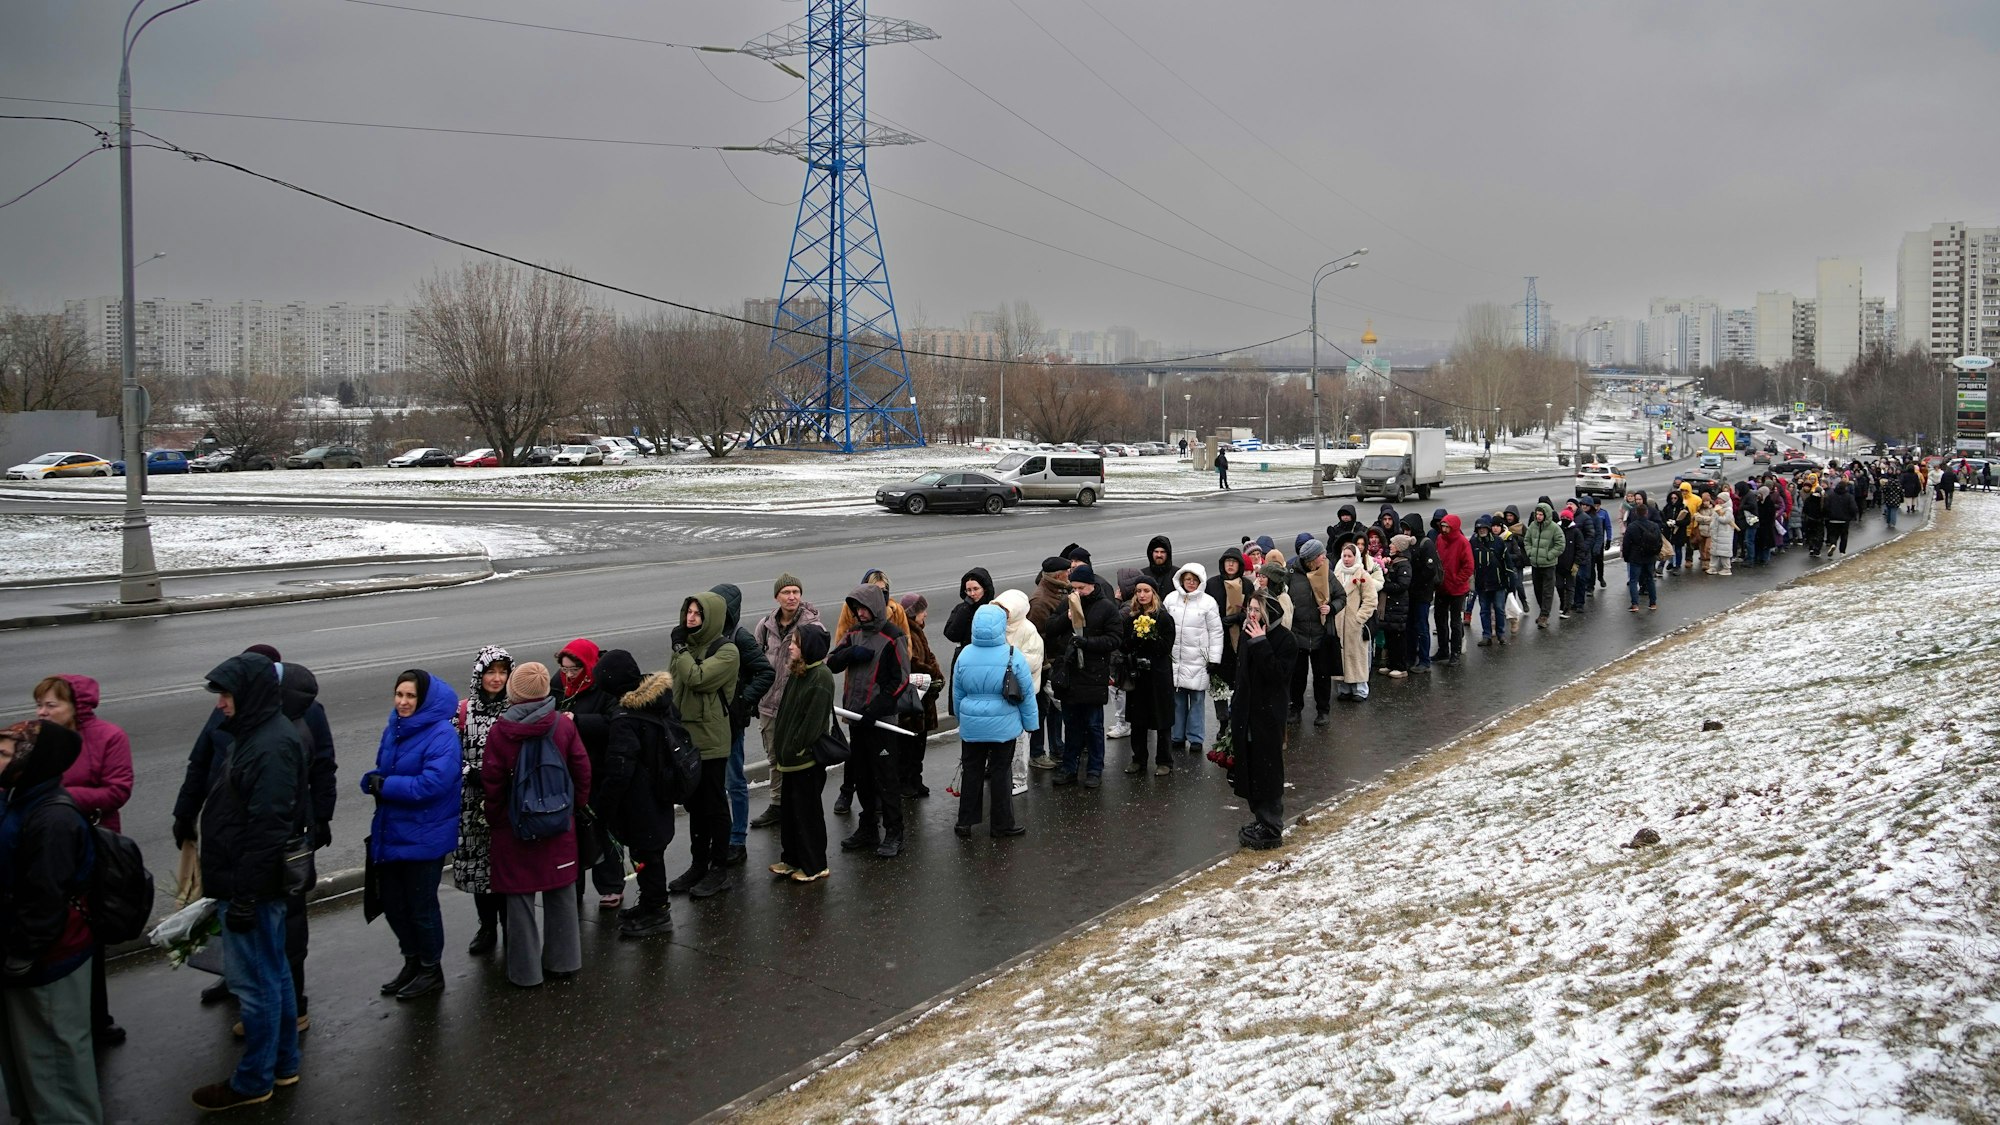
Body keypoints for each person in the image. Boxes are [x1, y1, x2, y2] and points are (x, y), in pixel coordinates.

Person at [191, 652, 307, 1111]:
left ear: (250, 694)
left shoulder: (271, 744)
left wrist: (243, 896)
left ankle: (254, 1078)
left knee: (256, 990)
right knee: (272, 977)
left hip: (253, 888)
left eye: (226, 695)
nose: (220, 704)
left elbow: (268, 829)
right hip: (250, 884)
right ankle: (282, 1065)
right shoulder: (254, 734)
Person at [0, 721, 102, 1122]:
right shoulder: (16, 798)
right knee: (28, 1058)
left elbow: (45, 898)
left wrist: (23, 952)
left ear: (32, 763)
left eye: (7, 753)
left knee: (55, 1063)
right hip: (22, 952)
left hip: (49, 959)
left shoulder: (52, 818)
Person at [32, 674, 132, 1048]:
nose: (41, 712)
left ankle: (96, 1019)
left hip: (92, 845)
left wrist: (57, 798)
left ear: (77, 706)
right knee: (50, 928)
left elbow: (118, 790)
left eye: (51, 705)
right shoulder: (35, 738)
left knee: (89, 934)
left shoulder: (109, 737)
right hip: (43, 846)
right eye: (39, 705)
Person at [480, 662, 591, 988]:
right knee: (561, 896)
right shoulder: (562, 726)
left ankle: (525, 973)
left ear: (513, 691)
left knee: (519, 902)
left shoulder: (500, 732)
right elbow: (582, 770)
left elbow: (493, 782)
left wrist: (497, 819)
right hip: (558, 823)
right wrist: (574, 808)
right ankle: (564, 962)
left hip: (516, 829)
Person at [364, 669, 462, 1002]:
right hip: (392, 831)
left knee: (421, 908)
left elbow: (433, 784)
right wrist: (373, 779)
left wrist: (385, 785)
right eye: (399, 694)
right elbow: (386, 770)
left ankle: (431, 970)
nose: (403, 702)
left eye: (410, 696)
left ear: (424, 700)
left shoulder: (441, 734)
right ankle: (412, 962)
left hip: (425, 837)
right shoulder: (395, 727)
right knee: (393, 905)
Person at [597, 650, 677, 938]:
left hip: (639, 801)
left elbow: (620, 770)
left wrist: (605, 810)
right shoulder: (655, 700)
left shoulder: (625, 718)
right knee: (649, 855)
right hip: (658, 792)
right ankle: (650, 903)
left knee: (646, 856)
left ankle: (657, 912)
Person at [828, 583, 910, 856]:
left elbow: (899, 681)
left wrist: (874, 711)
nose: (859, 613)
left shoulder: (892, 636)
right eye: (856, 608)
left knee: (886, 779)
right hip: (856, 719)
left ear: (874, 607)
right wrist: (849, 653)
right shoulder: (853, 633)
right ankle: (868, 827)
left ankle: (894, 832)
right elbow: (832, 662)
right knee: (862, 776)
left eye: (863, 608)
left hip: (881, 722)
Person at [670, 591, 742, 894]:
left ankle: (718, 868)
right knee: (695, 805)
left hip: (712, 739)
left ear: (711, 617)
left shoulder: (726, 651)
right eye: (689, 611)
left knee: (713, 804)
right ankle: (698, 864)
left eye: (698, 613)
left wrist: (679, 649)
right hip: (687, 737)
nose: (691, 618)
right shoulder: (687, 647)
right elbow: (675, 684)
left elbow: (697, 678)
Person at [951, 605, 1039, 838]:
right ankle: (1001, 825)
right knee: (1001, 773)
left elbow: (957, 693)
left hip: (973, 725)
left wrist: (965, 718)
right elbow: (1026, 693)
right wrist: (1031, 724)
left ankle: (965, 823)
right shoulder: (1011, 654)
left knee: (971, 772)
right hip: (1004, 726)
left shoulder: (965, 654)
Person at [552, 639, 625, 910]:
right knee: (571, 835)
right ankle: (574, 886)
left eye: (574, 670)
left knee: (603, 830)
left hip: (598, 770)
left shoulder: (603, 686)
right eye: (564, 669)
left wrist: (578, 721)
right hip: (566, 773)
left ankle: (611, 886)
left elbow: (614, 722)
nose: (569, 675)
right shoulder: (557, 686)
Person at [707, 584, 775, 866]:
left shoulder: (739, 637)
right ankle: (719, 836)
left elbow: (765, 671)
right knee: (712, 782)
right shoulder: (703, 635)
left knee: (734, 781)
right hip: (707, 724)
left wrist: (742, 701)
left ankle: (737, 839)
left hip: (730, 723)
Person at [762, 624, 837, 880]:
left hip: (804, 760)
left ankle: (815, 865)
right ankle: (792, 859)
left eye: (795, 642)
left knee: (808, 816)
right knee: (791, 814)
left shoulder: (821, 677)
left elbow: (812, 725)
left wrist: (796, 747)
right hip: (790, 760)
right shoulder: (799, 671)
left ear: (808, 647)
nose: (791, 646)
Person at [749, 574, 821, 830]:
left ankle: (796, 805)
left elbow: (816, 669)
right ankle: (777, 805)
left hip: (795, 706)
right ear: (777, 596)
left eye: (796, 592)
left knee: (796, 758)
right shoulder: (765, 626)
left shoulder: (812, 626)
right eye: (786, 592)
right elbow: (754, 664)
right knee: (773, 758)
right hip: (769, 705)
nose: (791, 597)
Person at [453, 646, 512, 957]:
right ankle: (487, 926)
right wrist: (471, 774)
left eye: (503, 672)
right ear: (479, 674)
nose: (497, 678)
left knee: (506, 869)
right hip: (472, 804)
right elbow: (448, 756)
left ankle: (510, 928)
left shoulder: (515, 709)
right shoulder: (463, 711)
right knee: (479, 871)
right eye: (491, 671)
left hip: (505, 804)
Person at [1227, 589, 1296, 850]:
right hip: (1246, 714)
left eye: (1257, 610)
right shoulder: (1247, 635)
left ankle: (1272, 826)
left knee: (1268, 771)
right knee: (1250, 768)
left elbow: (1277, 676)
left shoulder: (1285, 640)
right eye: (1250, 609)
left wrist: (1261, 644)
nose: (1252, 614)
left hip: (1267, 717)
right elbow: (1242, 676)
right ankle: (1260, 819)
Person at [1047, 565, 1120, 788]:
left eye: (1082, 588)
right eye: (1074, 588)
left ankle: (1094, 770)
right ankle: (1069, 768)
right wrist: (1067, 618)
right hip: (1071, 676)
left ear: (1092, 586)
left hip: (1093, 676)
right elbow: (1050, 628)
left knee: (1094, 726)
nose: (1077, 592)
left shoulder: (1106, 607)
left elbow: (1115, 639)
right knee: (1072, 725)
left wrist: (1087, 642)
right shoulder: (1068, 603)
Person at [1119, 576, 1178, 775]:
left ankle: (1164, 760)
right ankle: (1138, 759)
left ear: (1154, 593)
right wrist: (1136, 636)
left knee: (1161, 719)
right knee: (1138, 720)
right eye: (1139, 591)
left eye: (1146, 591)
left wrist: (1149, 635)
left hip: (1158, 676)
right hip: (1138, 675)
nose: (1142, 595)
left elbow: (1165, 647)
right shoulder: (1131, 618)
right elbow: (1124, 646)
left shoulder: (1163, 617)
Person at [1165, 562, 1222, 760]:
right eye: (1187, 579)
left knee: (1197, 700)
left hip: (1198, 660)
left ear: (1201, 581)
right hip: (1176, 659)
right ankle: (1177, 735)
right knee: (1177, 700)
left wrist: (1214, 659)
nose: (1191, 583)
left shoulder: (1208, 603)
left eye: (1194, 580)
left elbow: (1216, 632)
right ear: (1181, 579)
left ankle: (1196, 738)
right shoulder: (1171, 599)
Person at [991, 589, 1044, 796]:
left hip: (1019, 692)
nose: (1002, 614)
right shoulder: (995, 628)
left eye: (1005, 610)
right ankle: (1001, 773)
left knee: (1021, 738)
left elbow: (1033, 660)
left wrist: (1007, 659)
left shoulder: (1028, 629)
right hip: (999, 691)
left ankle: (1019, 778)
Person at [1284, 538, 1339, 722]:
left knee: (1321, 676)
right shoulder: (1292, 574)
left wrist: (1331, 607)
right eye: (1320, 555)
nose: (1324, 558)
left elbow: (1341, 596)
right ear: (1310, 559)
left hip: (1320, 634)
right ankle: (1295, 709)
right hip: (1297, 634)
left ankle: (1323, 711)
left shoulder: (1327, 573)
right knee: (1297, 676)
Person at [1025, 557, 1071, 770]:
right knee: (1041, 709)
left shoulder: (1059, 592)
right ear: (1058, 576)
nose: (1070, 575)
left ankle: (1057, 747)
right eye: (1067, 572)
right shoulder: (1041, 600)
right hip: (1046, 664)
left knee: (1055, 708)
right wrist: (1045, 666)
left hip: (1056, 660)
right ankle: (1037, 752)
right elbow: (1036, 637)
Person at [896, 593, 944, 798]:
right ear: (913, 613)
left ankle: (916, 778)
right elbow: (913, 661)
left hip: (922, 696)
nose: (925, 614)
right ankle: (905, 782)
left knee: (919, 741)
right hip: (913, 697)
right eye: (922, 610)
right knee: (909, 742)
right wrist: (933, 673)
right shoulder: (905, 632)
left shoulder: (917, 630)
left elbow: (929, 654)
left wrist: (935, 670)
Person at [940, 567, 995, 710]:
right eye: (968, 590)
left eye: (976, 589)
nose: (972, 594)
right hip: (965, 660)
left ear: (985, 588)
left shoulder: (994, 608)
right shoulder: (961, 608)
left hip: (988, 662)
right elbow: (951, 634)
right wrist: (966, 608)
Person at [1331, 541, 1381, 696]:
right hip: (1339, 623)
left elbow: (1371, 600)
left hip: (1355, 625)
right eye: (1344, 556)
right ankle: (1344, 687)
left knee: (1357, 655)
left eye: (1349, 556)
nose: (1346, 559)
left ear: (1356, 557)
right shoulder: (1336, 574)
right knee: (1341, 655)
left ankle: (1360, 689)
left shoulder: (1362, 575)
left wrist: (1359, 618)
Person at [1400, 514, 1439, 671]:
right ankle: (1410, 657)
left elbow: (1430, 570)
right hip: (1410, 594)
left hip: (1422, 593)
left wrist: (1413, 581)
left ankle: (1424, 661)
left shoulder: (1426, 544)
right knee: (1409, 627)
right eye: (1404, 529)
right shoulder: (1408, 544)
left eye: (1408, 529)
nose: (1406, 532)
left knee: (1422, 626)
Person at [1433, 513, 1472, 664]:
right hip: (1442, 587)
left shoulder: (1462, 542)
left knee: (1455, 622)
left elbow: (1469, 566)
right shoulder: (1439, 540)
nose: (1444, 530)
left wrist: (1457, 580)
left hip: (1457, 589)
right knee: (1439, 619)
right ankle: (1443, 650)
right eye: (1442, 526)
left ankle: (1455, 652)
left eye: (1446, 527)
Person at [1522, 503, 1564, 628]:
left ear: (1546, 515)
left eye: (1541, 514)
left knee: (1547, 591)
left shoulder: (1554, 528)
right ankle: (1542, 612)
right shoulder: (1532, 526)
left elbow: (1560, 544)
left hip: (1548, 565)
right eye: (1537, 514)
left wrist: (1549, 555)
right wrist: (1530, 553)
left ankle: (1544, 616)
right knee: (1537, 590)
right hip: (1535, 564)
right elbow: (1527, 540)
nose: (1539, 516)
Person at [1470, 516, 1510, 646]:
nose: (1481, 530)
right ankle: (1486, 635)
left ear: (1488, 528)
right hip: (1482, 584)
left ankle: (1501, 634)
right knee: (1484, 610)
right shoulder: (1473, 543)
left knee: (1499, 609)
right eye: (1479, 528)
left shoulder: (1498, 542)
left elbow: (1507, 561)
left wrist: (1510, 581)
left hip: (1498, 583)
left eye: (1484, 528)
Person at [1382, 535, 1414, 678]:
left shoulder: (1404, 564)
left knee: (1398, 636)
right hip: (1391, 605)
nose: (1390, 546)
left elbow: (1402, 585)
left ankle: (1401, 667)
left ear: (1400, 547)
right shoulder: (1394, 562)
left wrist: (1385, 586)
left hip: (1398, 605)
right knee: (1390, 635)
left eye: (1393, 544)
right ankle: (1391, 664)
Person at [1623, 502, 1663, 611]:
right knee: (1650, 579)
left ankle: (1635, 604)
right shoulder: (1654, 526)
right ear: (1646, 513)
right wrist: (1655, 553)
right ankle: (1653, 603)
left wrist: (1627, 557)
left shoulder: (1632, 527)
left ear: (1636, 513)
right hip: (1650, 556)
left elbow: (1626, 544)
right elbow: (1660, 541)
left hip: (1636, 557)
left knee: (1633, 581)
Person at [1704, 487, 1736, 575]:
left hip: (1724, 534)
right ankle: (1713, 567)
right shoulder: (1718, 508)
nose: (1719, 501)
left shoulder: (1728, 510)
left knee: (1724, 553)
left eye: (1720, 499)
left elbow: (1726, 520)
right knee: (1714, 552)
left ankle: (1727, 568)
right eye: (1718, 499)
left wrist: (1718, 516)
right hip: (1716, 534)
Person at [1823, 479, 1858, 556]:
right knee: (1844, 535)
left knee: (1833, 534)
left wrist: (1827, 515)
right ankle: (1842, 551)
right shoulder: (1849, 496)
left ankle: (1833, 543)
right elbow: (1853, 508)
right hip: (1844, 519)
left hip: (1832, 519)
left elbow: (1826, 506)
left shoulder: (1831, 495)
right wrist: (1852, 516)